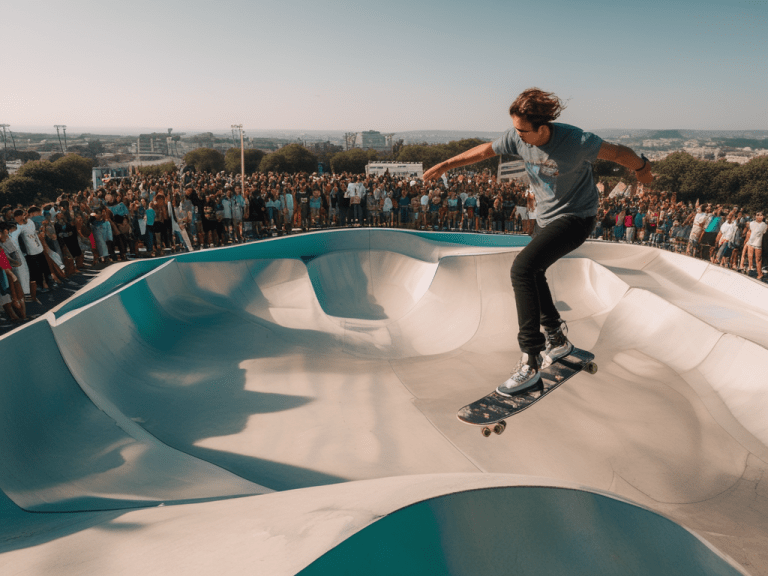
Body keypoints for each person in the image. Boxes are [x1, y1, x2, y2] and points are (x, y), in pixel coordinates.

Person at [423, 88, 653, 396]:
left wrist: (642, 168)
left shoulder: (576, 141)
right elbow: (483, 152)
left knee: (521, 269)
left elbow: (619, 153)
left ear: (542, 128)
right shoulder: (517, 137)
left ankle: (530, 361)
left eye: (522, 130)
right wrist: (444, 165)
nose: (517, 136)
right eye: (515, 129)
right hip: (545, 219)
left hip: (576, 218)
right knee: (534, 272)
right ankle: (557, 340)